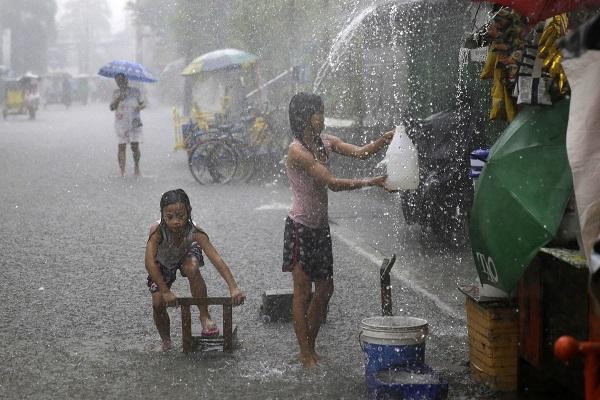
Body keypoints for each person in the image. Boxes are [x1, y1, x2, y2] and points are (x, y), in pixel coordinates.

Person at [282, 92, 394, 368]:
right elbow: (331, 182)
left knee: (325, 290)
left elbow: (360, 152)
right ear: (304, 118)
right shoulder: (297, 151)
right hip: (300, 227)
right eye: (319, 112)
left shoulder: (326, 142)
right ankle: (305, 352)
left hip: (320, 228)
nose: (323, 117)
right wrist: (373, 181)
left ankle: (310, 347)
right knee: (302, 292)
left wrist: (382, 141)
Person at [145, 189, 246, 351]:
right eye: (169, 217)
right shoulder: (157, 232)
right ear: (162, 215)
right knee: (157, 302)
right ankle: (166, 341)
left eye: (181, 216)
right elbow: (149, 263)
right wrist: (165, 291)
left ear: (189, 211)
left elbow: (216, 259)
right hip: (163, 262)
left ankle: (204, 315)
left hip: (187, 253)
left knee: (192, 267)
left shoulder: (196, 232)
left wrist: (233, 287)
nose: (176, 222)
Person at [110, 73, 145, 177]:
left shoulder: (135, 91)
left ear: (126, 80)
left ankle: (136, 168)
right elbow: (112, 107)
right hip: (121, 123)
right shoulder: (116, 93)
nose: (119, 82)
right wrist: (118, 99)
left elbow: (143, 103)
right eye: (117, 80)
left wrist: (140, 107)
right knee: (121, 146)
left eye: (121, 80)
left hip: (134, 121)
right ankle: (122, 171)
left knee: (135, 146)